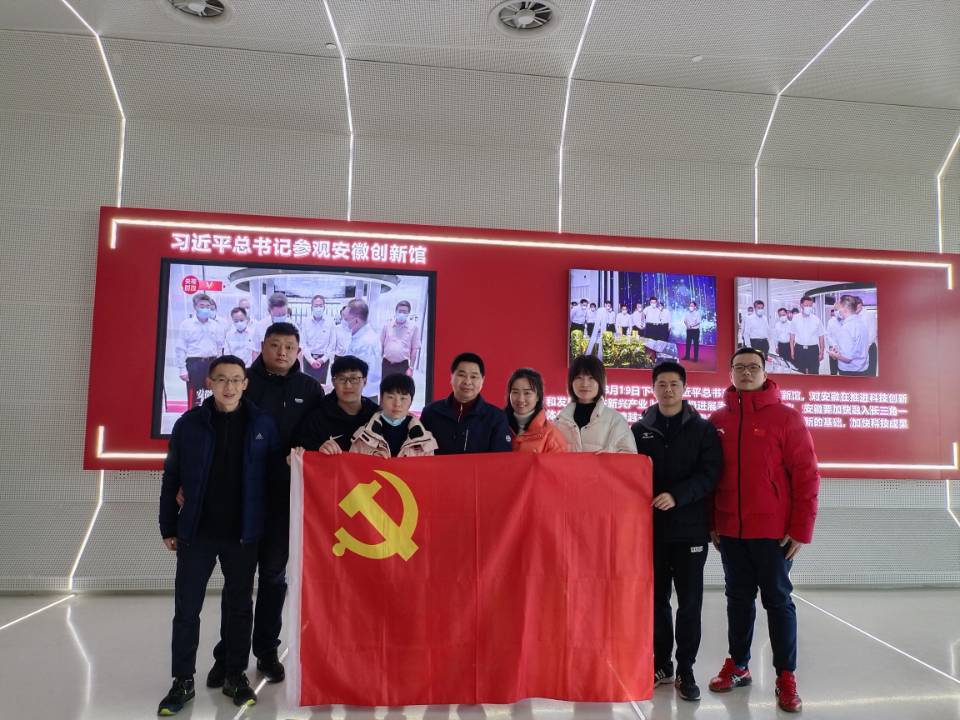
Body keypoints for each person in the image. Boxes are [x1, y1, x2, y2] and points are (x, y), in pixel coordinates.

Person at [158, 355, 280, 714]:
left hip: (243, 534)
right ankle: (182, 681)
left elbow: (275, 478)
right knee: (187, 609)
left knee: (239, 607)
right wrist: (168, 526)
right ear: (209, 383)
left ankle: (234, 675)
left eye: (236, 379)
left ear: (246, 384)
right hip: (197, 532)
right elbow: (172, 476)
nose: (229, 386)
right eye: (222, 379)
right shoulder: (190, 424)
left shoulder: (262, 423)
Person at [706, 347, 819, 713]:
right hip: (731, 531)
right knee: (738, 600)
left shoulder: (787, 418)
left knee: (778, 602)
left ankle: (786, 676)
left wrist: (801, 529)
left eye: (753, 367)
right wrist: (713, 522)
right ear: (730, 373)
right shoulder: (718, 420)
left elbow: (806, 475)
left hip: (774, 533)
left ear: (765, 372)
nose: (746, 372)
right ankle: (739, 665)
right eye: (739, 367)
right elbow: (710, 477)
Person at [631, 361, 721, 702]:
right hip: (650, 532)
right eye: (661, 384)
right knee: (656, 604)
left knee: (689, 604)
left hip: (690, 533)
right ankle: (662, 665)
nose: (668, 390)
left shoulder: (703, 429)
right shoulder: (639, 429)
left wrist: (678, 496)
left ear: (684, 388)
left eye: (674, 384)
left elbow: (710, 475)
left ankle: (686, 669)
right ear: (653, 388)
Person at [420, 352, 513, 454]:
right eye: (461, 375)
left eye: (473, 377)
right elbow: (419, 452)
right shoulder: (431, 412)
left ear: (482, 380)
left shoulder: (496, 417)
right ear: (451, 377)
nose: (467, 382)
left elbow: (501, 459)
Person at [293, 355, 380, 453]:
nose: (348, 385)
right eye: (341, 379)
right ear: (333, 382)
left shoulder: (377, 416)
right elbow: (301, 448)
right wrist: (318, 447)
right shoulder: (317, 416)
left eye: (354, 379)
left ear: (365, 381)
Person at [555, 354, 637, 453]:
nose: (585, 384)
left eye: (591, 378)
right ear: (571, 382)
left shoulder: (615, 420)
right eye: (579, 377)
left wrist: (610, 456)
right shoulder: (560, 421)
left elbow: (631, 456)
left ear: (600, 381)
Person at [348, 373, 438, 457]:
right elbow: (352, 467)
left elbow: (427, 469)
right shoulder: (363, 436)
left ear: (411, 401)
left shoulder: (424, 440)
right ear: (381, 399)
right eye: (390, 397)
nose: (397, 404)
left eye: (403, 398)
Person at [175, 292, 226, 409]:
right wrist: (182, 369)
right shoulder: (186, 324)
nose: (205, 309)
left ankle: (211, 416)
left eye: (207, 306)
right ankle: (193, 416)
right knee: (195, 394)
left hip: (212, 363)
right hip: (194, 363)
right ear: (195, 307)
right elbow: (180, 348)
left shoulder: (216, 325)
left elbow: (220, 347)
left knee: (212, 393)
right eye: (201, 306)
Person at [504, 367, 567, 453]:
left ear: (538, 397)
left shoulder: (552, 436)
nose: (520, 399)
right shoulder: (497, 426)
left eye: (527, 393)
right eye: (515, 392)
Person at [344, 298, 382, 403]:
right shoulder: (359, 336)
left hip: (363, 396)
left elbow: (359, 374)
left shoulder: (367, 342)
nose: (345, 323)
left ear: (356, 320)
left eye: (346, 319)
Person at [828, 295, 869, 376]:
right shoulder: (861, 323)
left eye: (839, 308)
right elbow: (855, 347)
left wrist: (834, 354)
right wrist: (839, 348)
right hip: (862, 369)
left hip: (849, 371)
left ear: (844, 309)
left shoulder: (846, 328)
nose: (838, 311)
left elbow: (847, 358)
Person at [381, 300, 421, 380]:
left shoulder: (413, 328)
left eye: (405, 312)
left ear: (408, 313)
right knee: (385, 387)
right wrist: (378, 363)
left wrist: (411, 368)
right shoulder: (387, 326)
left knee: (400, 387)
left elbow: (414, 349)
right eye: (400, 311)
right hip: (386, 364)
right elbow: (381, 345)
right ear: (396, 311)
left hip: (402, 366)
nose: (402, 314)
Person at [302, 295, 336, 385]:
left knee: (320, 386)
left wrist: (322, 360)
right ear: (311, 307)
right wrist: (311, 360)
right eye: (316, 305)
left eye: (320, 305)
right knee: (307, 385)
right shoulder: (305, 321)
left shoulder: (330, 322)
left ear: (324, 307)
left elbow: (332, 343)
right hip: (308, 359)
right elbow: (303, 343)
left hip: (323, 360)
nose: (318, 308)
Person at [789, 295, 825, 375]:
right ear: (801, 305)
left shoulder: (816, 319)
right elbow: (792, 337)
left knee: (814, 372)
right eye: (806, 305)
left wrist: (822, 352)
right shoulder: (795, 318)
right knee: (799, 372)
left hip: (813, 350)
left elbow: (821, 336)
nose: (808, 307)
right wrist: (792, 351)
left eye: (810, 306)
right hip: (799, 349)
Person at [856, 296, 878, 376]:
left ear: (860, 305)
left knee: (870, 374)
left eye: (856, 305)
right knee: (860, 374)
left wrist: (866, 348)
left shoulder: (868, 315)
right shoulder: (855, 316)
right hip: (859, 349)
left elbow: (872, 333)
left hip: (869, 348)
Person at [825, 306, 842, 376]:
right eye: (836, 310)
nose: (837, 311)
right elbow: (828, 335)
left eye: (839, 309)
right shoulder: (831, 321)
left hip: (844, 350)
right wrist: (834, 345)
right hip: (833, 349)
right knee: (833, 371)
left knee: (843, 372)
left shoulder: (847, 320)